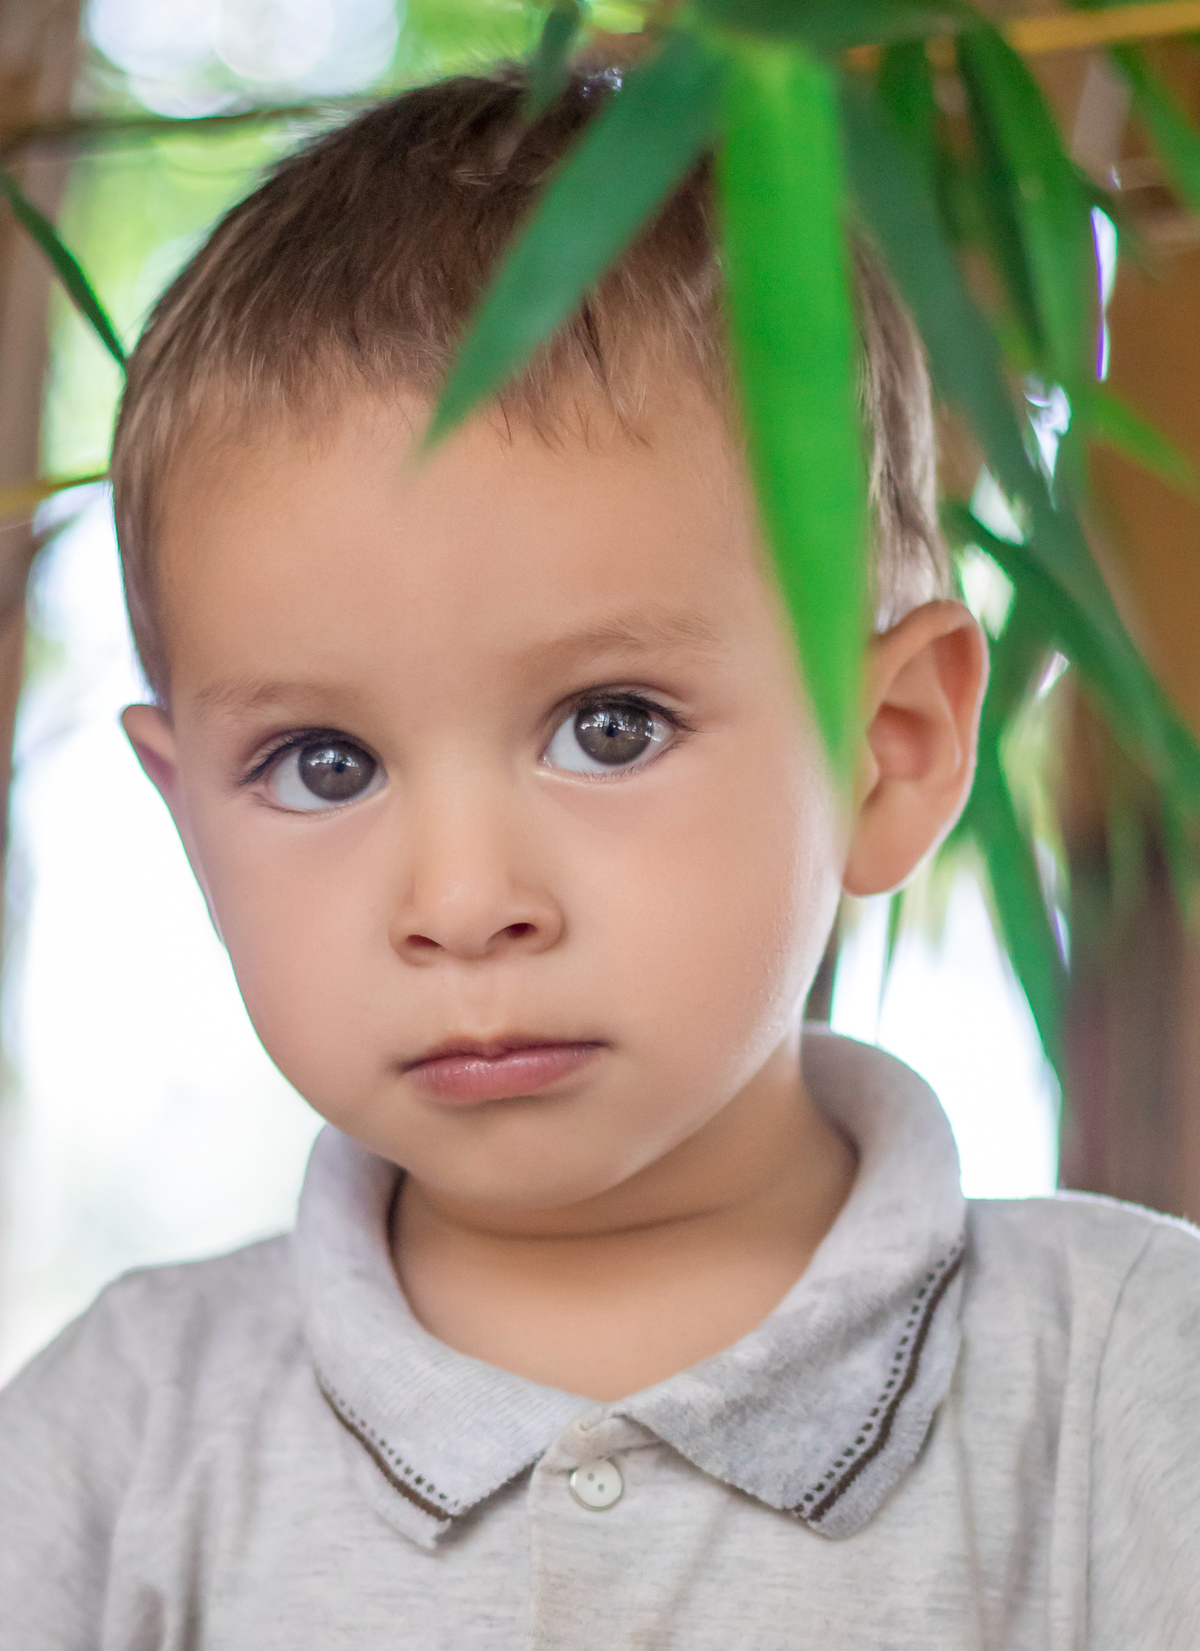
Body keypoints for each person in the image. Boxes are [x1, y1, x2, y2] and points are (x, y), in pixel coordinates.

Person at [1, 62, 1197, 1651]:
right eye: (324, 764)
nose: (463, 904)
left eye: (611, 727)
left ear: (890, 746)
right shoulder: (111, 1448)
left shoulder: (1131, 1384)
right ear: (188, 825)